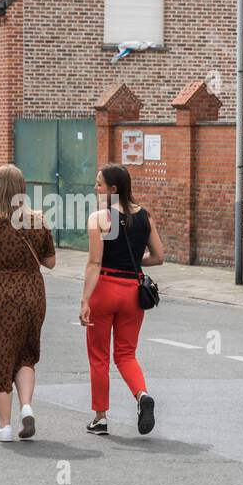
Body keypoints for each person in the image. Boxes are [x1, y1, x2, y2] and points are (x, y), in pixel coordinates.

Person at [0, 164, 56, 442]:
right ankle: (27, 406)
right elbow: (50, 262)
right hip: (33, 293)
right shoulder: (38, 220)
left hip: (0, 294)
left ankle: (4, 425)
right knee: (25, 353)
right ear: (22, 189)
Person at [79, 164, 163, 436]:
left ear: (113, 189)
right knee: (126, 354)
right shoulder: (145, 217)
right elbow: (158, 257)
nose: (95, 188)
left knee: (99, 358)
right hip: (132, 293)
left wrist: (85, 300)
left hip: (104, 289)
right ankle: (141, 395)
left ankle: (100, 418)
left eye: (99, 184)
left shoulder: (99, 218)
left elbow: (94, 262)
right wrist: (133, 263)